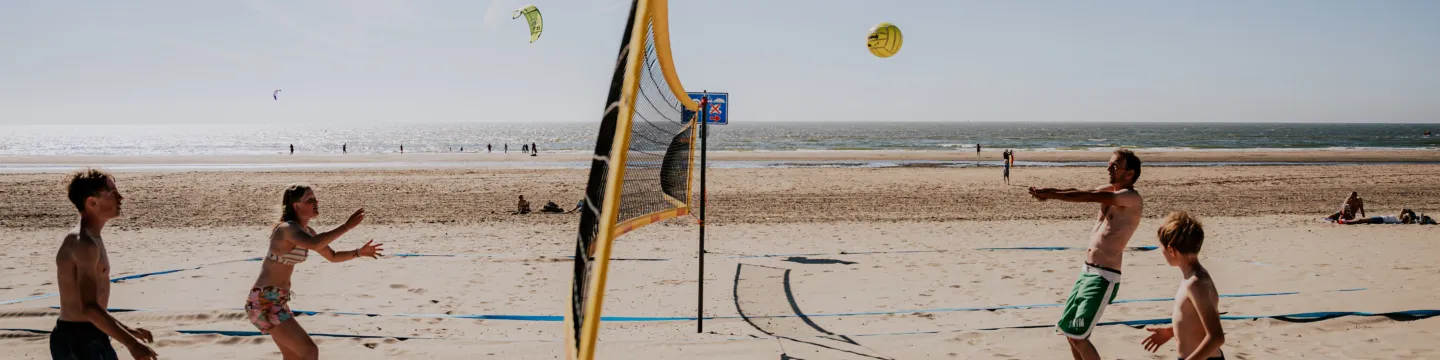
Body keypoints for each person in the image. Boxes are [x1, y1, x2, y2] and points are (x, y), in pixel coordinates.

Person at [1028, 148, 1144, 360]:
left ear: (1129, 174)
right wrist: (1048, 191)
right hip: (1086, 273)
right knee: (1070, 331)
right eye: (1109, 164)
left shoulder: (1130, 197)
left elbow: (1089, 197)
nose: (1109, 168)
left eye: (1115, 166)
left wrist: (1052, 195)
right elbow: (1079, 190)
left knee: (1078, 335)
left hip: (1103, 277)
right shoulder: (1111, 190)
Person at [245, 184, 383, 360]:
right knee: (310, 351)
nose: (315, 203)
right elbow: (315, 244)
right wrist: (346, 226)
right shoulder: (286, 229)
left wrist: (358, 252)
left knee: (294, 357)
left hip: (277, 300)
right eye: (310, 200)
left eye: (315, 199)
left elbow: (332, 256)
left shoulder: (308, 232)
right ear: (296, 206)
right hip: (264, 301)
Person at [52, 169, 159, 360]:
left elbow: (94, 308)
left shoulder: (93, 239)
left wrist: (127, 330)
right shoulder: (83, 243)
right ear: (92, 202)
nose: (121, 198)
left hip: (94, 332)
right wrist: (131, 344)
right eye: (112, 194)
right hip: (76, 339)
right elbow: (88, 308)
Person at [1142, 211, 1225, 360]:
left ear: (1171, 250)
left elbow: (1216, 337)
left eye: (1161, 248)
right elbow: (1196, 322)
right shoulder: (1192, 278)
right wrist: (1170, 331)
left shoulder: (1196, 283)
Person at [1338, 209, 1421, 225]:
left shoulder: (1400, 221)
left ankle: (1348, 222)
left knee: (1363, 220)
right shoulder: (1400, 219)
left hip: (1381, 220)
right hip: (1381, 219)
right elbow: (1403, 210)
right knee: (1364, 221)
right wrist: (1410, 213)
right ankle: (1349, 222)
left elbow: (1403, 210)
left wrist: (1410, 213)